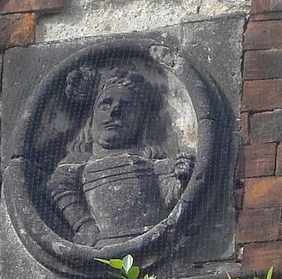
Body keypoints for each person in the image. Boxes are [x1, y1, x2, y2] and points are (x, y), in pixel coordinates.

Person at [47, 68, 194, 248]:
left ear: (141, 122)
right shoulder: (76, 166)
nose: (114, 111)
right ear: (91, 119)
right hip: (100, 246)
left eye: (127, 106)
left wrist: (182, 177)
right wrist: (85, 226)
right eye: (105, 105)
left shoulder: (153, 164)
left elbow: (170, 197)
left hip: (149, 241)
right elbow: (58, 188)